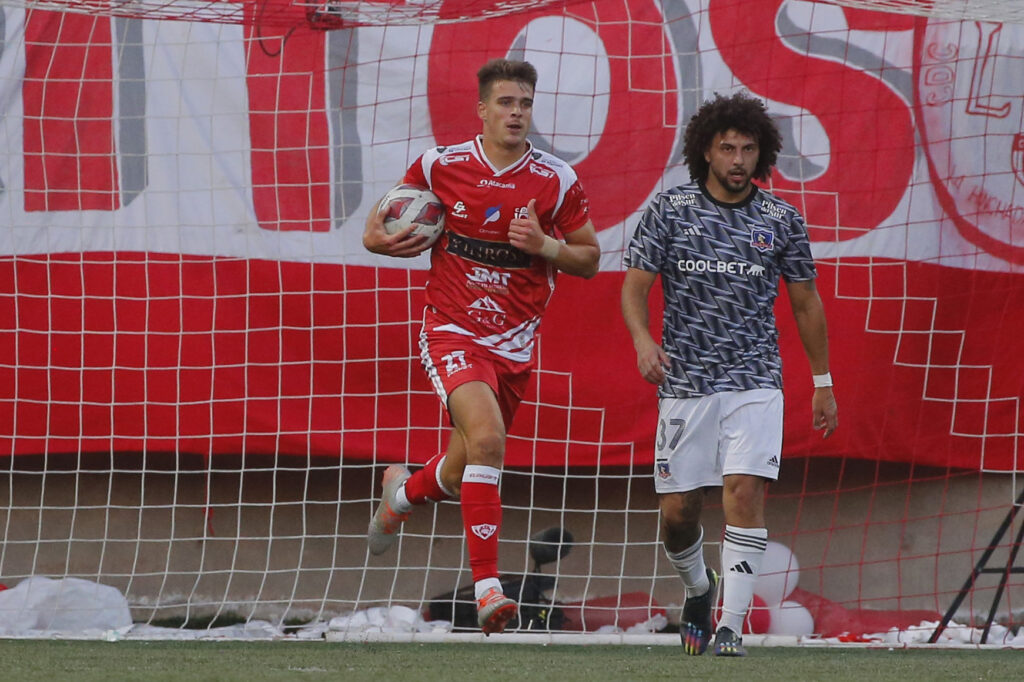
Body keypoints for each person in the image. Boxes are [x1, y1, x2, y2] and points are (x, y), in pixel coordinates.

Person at [362, 58, 600, 635]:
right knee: (489, 440)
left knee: (461, 465)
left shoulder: (556, 180)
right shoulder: (441, 164)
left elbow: (590, 259)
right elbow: (383, 218)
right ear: (483, 110)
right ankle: (490, 589)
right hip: (451, 328)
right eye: (505, 103)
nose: (516, 113)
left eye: (524, 104)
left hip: (514, 343)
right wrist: (376, 237)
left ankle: (402, 493)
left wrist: (545, 245)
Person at [620, 92, 838, 657]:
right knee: (678, 511)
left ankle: (730, 627)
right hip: (686, 384)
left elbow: (806, 303)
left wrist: (822, 382)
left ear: (761, 155)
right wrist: (644, 341)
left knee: (743, 493)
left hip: (755, 380)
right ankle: (699, 587)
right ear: (707, 153)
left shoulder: (781, 220)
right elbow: (635, 287)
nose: (738, 159)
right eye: (727, 148)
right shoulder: (670, 211)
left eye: (748, 149)